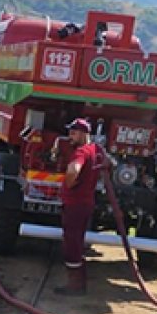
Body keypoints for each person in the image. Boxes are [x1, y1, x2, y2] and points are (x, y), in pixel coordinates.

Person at [54, 118, 107, 296]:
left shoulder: (81, 152)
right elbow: (108, 164)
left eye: (74, 132)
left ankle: (75, 284)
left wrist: (70, 184)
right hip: (86, 203)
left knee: (72, 243)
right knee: (77, 240)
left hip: (75, 204)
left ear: (84, 134)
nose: (70, 136)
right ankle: (79, 281)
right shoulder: (96, 150)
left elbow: (73, 170)